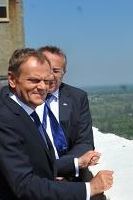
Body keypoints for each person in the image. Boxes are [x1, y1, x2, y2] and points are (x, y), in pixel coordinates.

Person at [0, 48, 113, 200]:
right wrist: (89, 188)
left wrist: (51, 175)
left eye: (47, 80)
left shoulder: (25, 114)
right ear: (12, 80)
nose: (43, 87)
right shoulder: (4, 122)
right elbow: (24, 184)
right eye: (34, 80)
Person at [38, 45, 99, 176]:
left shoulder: (78, 97)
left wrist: (63, 168)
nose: (51, 76)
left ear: (64, 72)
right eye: (46, 70)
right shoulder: (21, 97)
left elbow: (85, 142)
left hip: (68, 179)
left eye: (56, 71)